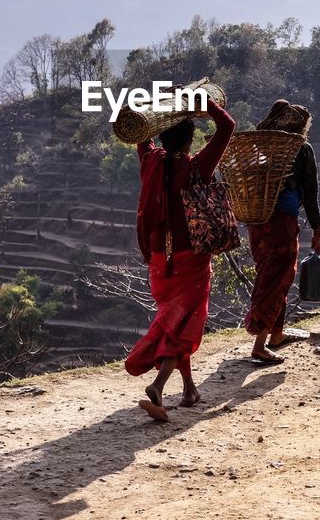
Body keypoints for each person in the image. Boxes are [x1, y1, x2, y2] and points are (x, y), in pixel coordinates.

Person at [125, 98, 235, 422]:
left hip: (159, 261)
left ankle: (189, 389)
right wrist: (206, 103)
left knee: (175, 322)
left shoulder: (149, 162)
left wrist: (150, 112)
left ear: (161, 136)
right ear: (189, 141)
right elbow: (227, 126)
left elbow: (140, 136)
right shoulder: (197, 167)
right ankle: (158, 385)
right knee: (183, 329)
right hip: (192, 261)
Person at [243, 100, 320, 364]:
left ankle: (276, 334)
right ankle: (259, 345)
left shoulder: (261, 145)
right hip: (282, 223)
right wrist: (317, 226)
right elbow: (310, 193)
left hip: (258, 223)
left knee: (271, 275)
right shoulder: (301, 148)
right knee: (277, 279)